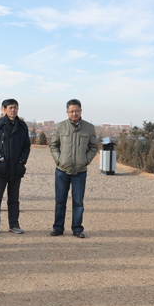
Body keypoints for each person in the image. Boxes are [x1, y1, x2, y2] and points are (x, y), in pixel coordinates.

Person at [49, 99, 98, 238]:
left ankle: (77, 228)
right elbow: (53, 146)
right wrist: (59, 160)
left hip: (80, 172)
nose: (74, 113)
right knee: (60, 201)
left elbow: (94, 147)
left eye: (76, 110)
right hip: (62, 171)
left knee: (78, 202)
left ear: (81, 111)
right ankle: (58, 228)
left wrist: (85, 161)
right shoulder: (60, 127)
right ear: (67, 112)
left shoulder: (89, 128)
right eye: (71, 111)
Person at [0, 99, 31, 234]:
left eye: (15, 107)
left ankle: (14, 225)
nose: (13, 110)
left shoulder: (22, 126)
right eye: (11, 107)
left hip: (16, 168)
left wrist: (22, 160)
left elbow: (26, 146)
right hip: (1, 167)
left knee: (14, 199)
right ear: (3, 109)